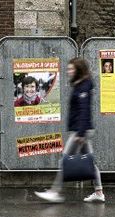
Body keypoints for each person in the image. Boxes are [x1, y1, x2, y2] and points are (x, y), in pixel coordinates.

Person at [35, 58, 105, 203]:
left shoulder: (84, 86)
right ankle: (99, 192)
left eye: (71, 69)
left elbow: (84, 110)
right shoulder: (81, 84)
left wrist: (80, 133)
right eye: (68, 69)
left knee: (65, 160)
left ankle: (55, 192)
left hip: (81, 130)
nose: (69, 71)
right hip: (83, 129)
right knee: (90, 162)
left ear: (79, 69)